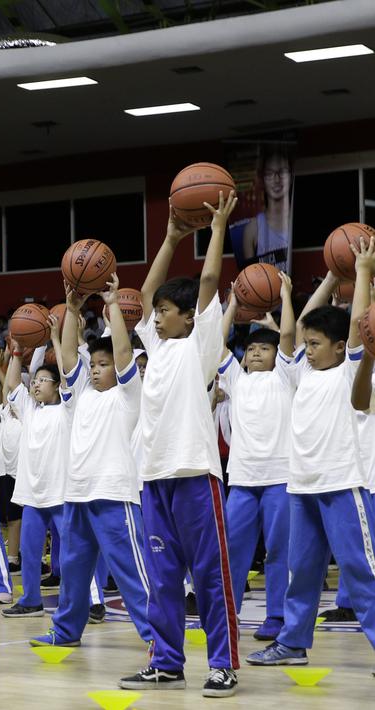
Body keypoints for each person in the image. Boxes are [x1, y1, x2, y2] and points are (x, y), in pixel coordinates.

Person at [120, 191, 240, 697]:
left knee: (210, 577)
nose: (157, 316)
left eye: (167, 311)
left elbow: (209, 282)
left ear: (190, 317)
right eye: (158, 312)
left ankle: (223, 664)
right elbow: (147, 293)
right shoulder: (157, 344)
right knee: (163, 578)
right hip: (154, 478)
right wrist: (169, 238)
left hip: (194, 476)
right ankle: (167, 663)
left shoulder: (200, 345)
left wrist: (217, 229)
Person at [246, 241, 375, 665]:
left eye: (317, 343)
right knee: (300, 572)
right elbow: (299, 325)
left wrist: (362, 270)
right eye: (309, 344)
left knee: (361, 571)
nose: (310, 348)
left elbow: (357, 323)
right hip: (301, 485)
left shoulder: (351, 368)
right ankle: (293, 643)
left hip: (342, 483)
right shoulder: (300, 370)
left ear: (339, 347)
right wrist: (333, 276)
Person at [30, 275, 153, 649]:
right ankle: (66, 631)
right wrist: (71, 310)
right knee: (73, 570)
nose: (96, 369)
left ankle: (158, 639)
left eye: (103, 364)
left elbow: (123, 352)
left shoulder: (128, 395)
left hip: (114, 494)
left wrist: (112, 304)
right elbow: (68, 356)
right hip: (77, 494)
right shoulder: (80, 394)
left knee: (132, 573)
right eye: (94, 364)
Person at [216, 277, 296, 642]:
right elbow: (216, 344)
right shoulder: (236, 380)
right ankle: (226, 614)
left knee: (279, 552)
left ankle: (277, 616)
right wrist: (232, 304)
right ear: (243, 357)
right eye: (251, 349)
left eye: (266, 348)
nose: (258, 353)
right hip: (243, 481)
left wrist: (284, 299)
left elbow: (289, 338)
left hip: (280, 477)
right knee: (233, 550)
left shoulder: (285, 376)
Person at [1, 322, 71, 619]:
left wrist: (54, 337)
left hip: (61, 494)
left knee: (70, 554)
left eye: (43, 380)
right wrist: (17, 352)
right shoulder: (29, 410)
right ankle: (30, 600)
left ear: (56, 386)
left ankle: (75, 602)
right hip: (32, 496)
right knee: (30, 553)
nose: (37, 384)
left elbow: (68, 374)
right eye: (36, 380)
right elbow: (13, 385)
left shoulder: (68, 409)